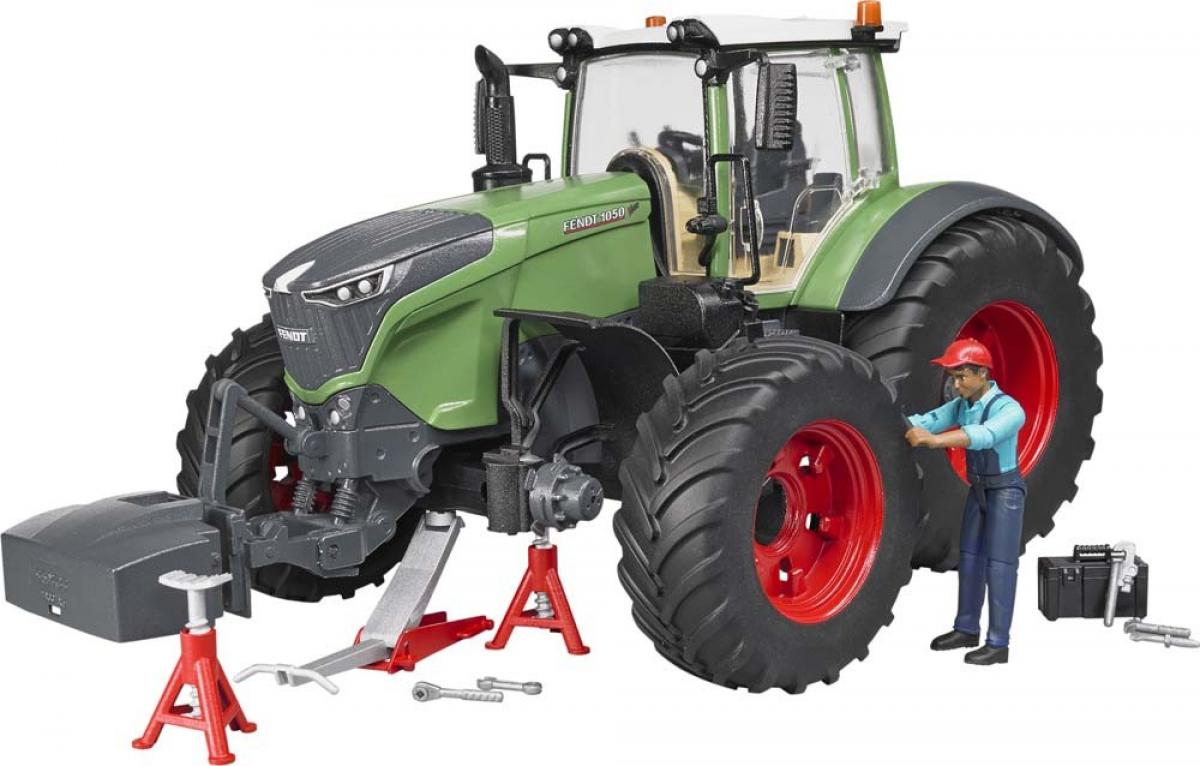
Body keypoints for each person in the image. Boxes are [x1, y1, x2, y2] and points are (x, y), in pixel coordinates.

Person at [905, 338, 1026, 665]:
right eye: (953, 377)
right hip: (978, 490)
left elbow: (985, 436)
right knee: (969, 559)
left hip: (1005, 492)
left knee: (1000, 566)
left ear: (982, 373)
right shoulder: (963, 404)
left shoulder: (1009, 409)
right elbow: (931, 419)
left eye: (961, 377)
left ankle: (998, 643)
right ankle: (966, 628)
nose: (955, 385)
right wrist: (897, 423)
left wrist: (936, 441)